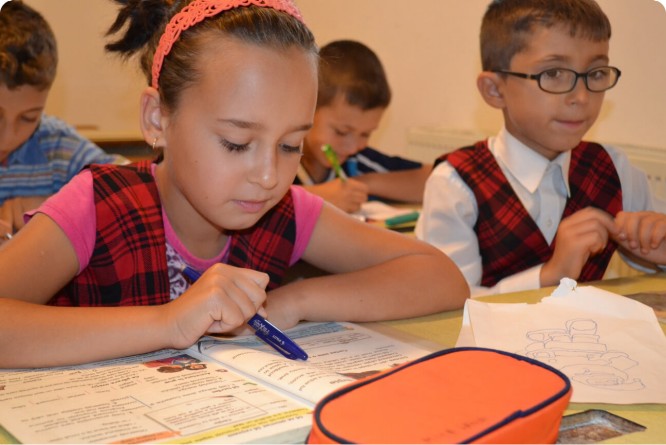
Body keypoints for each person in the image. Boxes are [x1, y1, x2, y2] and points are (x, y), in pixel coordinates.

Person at [0, 0, 469, 369]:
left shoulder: (288, 209)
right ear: (157, 119)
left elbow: (442, 278)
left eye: (290, 146)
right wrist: (167, 321)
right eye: (235, 142)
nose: (268, 177)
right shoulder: (95, 204)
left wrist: (294, 302)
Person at [416, 0, 666, 297]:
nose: (582, 97)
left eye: (596, 73)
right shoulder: (455, 185)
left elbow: (653, 247)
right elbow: (446, 303)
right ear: (495, 90)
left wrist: (654, 250)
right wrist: (550, 275)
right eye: (553, 74)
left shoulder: (613, 168)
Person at [0, 1, 126, 241]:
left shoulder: (56, 145)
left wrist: (57, 207)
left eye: (28, 118)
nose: (8, 137)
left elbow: (132, 188)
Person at [296, 40, 432, 213]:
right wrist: (316, 198)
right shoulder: (278, 160)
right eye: (341, 132)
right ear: (306, 109)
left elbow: (437, 180)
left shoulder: (356, 162)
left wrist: (364, 184)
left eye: (365, 134)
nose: (353, 147)